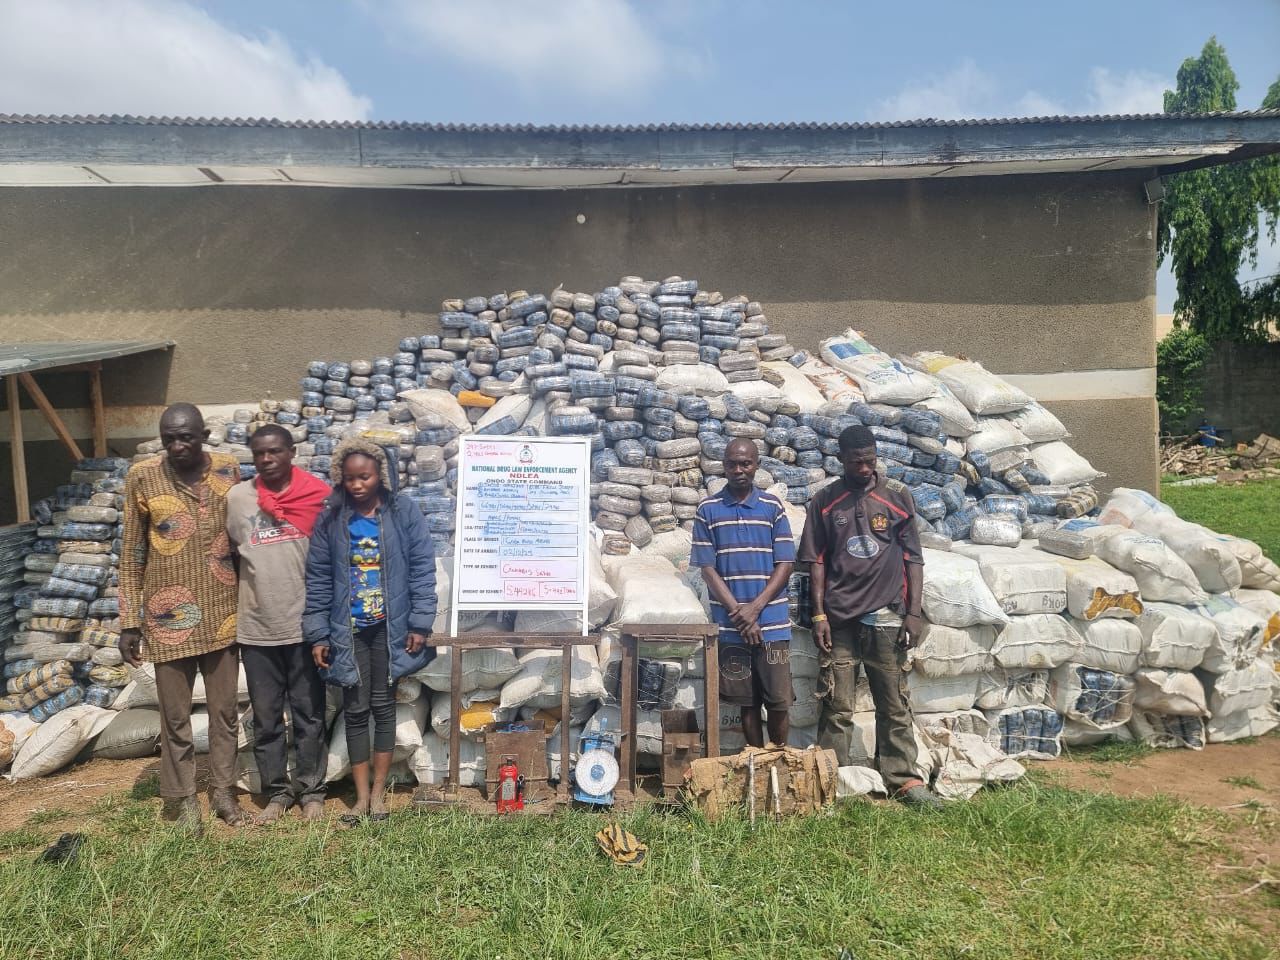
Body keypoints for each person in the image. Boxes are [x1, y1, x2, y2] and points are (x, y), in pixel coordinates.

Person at [797, 424, 942, 809]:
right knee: (838, 705)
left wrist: (913, 613)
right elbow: (816, 561)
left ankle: (904, 780)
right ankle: (833, 783)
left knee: (893, 703)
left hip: (888, 617)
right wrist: (819, 615)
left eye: (870, 461)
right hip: (840, 619)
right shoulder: (826, 500)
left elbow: (913, 557)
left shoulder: (896, 496)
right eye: (856, 462)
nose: (864, 468)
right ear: (841, 460)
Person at [118, 403, 246, 833]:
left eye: (186, 437)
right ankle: (183, 797)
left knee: (224, 711)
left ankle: (224, 791)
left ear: (204, 435)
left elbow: (242, 541)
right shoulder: (143, 477)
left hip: (223, 613)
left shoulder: (227, 470)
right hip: (166, 618)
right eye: (169, 438)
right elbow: (132, 553)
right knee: (174, 717)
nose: (177, 446)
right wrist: (129, 622)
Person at [303, 437, 438, 824]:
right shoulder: (332, 518)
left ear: (382, 475)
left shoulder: (402, 512)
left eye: (365, 477)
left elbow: (422, 568)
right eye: (350, 478)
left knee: (383, 706)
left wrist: (420, 622)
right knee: (356, 709)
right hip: (347, 630)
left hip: (388, 629)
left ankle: (379, 795)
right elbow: (318, 579)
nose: (357, 484)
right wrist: (318, 633)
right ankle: (360, 798)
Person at [226, 425, 333, 823]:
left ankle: (311, 791)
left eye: (274, 451)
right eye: (259, 453)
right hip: (257, 627)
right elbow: (234, 553)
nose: (267, 459)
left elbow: (331, 560)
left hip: (304, 626)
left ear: (292, 452)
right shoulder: (238, 498)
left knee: (309, 713)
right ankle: (276, 792)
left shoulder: (317, 495)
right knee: (266, 717)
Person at [692, 438, 796, 748]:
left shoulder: (772, 507)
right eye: (732, 464)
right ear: (723, 466)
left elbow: (786, 563)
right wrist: (740, 614)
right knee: (747, 702)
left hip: (772, 624)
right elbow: (708, 569)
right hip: (731, 626)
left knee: (778, 701)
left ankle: (779, 758)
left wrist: (755, 609)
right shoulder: (708, 510)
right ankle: (757, 759)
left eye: (746, 463)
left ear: (756, 466)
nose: (739, 470)